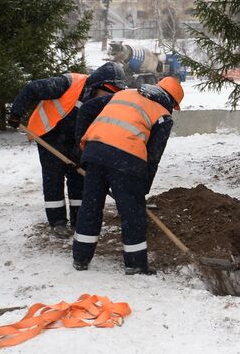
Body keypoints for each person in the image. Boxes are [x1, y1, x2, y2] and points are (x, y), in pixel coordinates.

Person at [71, 75, 184, 274]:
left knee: (91, 206)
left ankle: (80, 258)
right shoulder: (162, 115)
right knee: (132, 213)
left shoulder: (124, 94)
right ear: (172, 101)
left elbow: (87, 109)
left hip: (95, 151)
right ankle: (135, 264)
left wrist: (81, 146)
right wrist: (142, 188)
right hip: (126, 157)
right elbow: (153, 155)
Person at [7, 62, 127, 238]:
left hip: (74, 139)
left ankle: (79, 220)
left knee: (78, 176)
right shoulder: (68, 83)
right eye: (108, 92)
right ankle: (57, 222)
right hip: (48, 133)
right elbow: (32, 88)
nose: (108, 99)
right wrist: (16, 112)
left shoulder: (104, 102)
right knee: (53, 177)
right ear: (98, 86)